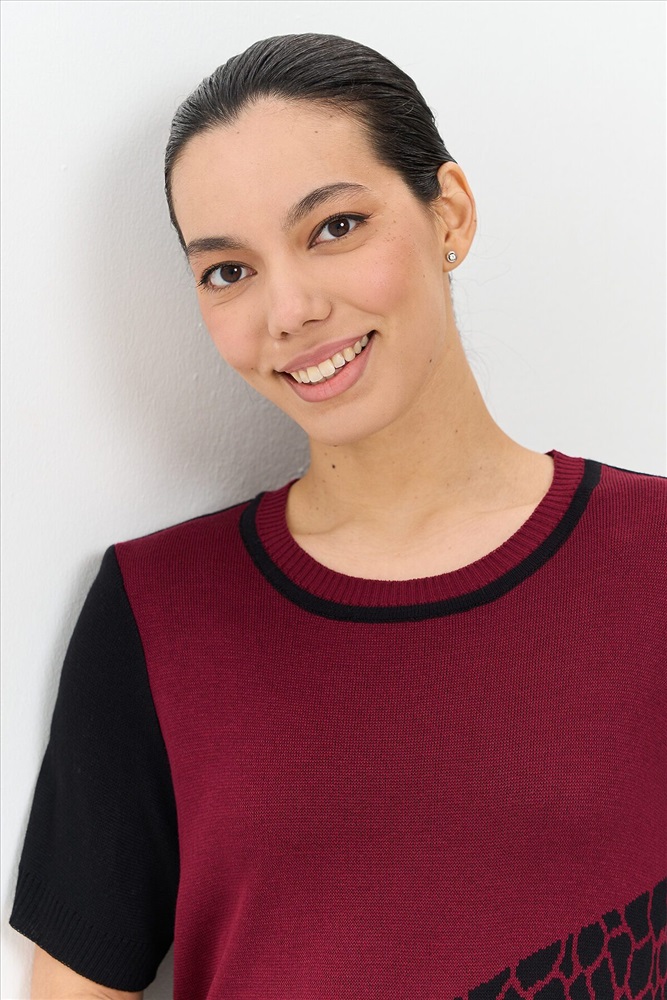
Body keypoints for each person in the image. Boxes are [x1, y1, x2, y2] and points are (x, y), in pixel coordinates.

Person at [10, 32, 666, 1000]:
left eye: (334, 227)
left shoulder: (652, 560)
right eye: (228, 271)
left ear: (449, 214)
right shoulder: (157, 609)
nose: (289, 309)